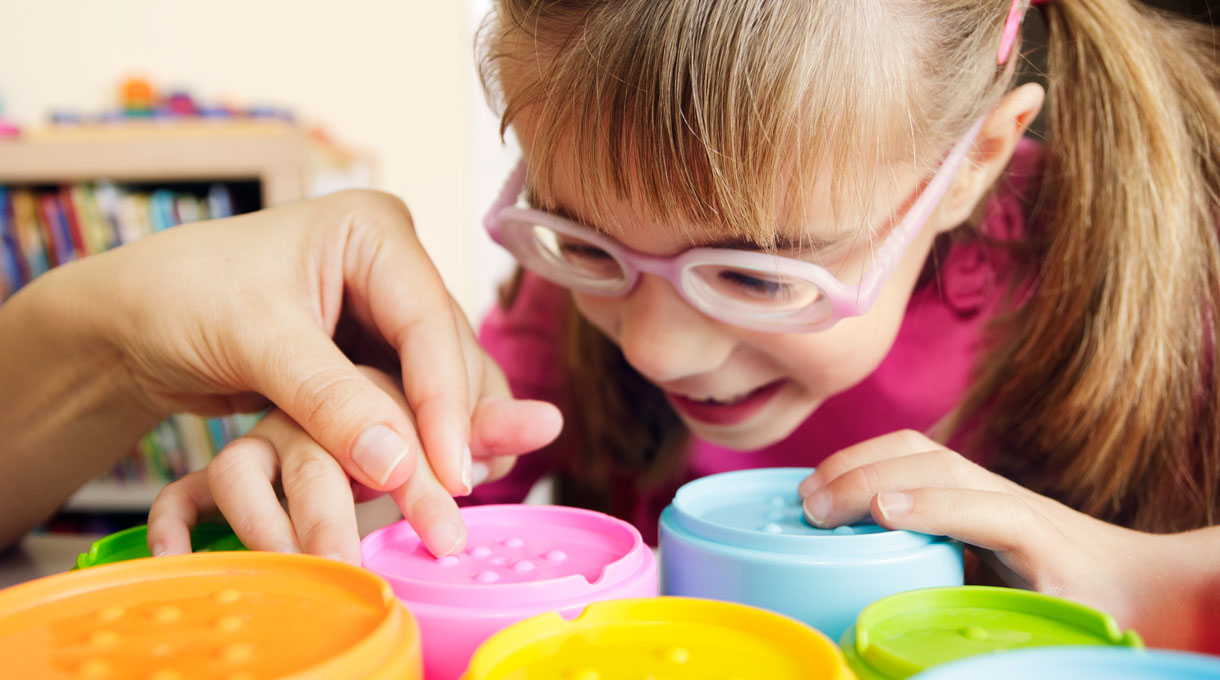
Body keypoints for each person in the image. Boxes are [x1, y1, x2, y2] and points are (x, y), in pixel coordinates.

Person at [150, 0, 1220, 650]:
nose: (656, 347)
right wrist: (361, 454)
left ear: (974, 161)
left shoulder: (1173, 261)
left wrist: (1148, 573)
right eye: (582, 242)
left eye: (756, 275)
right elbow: (456, 469)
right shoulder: (558, 320)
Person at [0, 189, 562, 558]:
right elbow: (453, 519)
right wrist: (367, 411)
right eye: (583, 240)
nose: (650, 349)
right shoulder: (542, 327)